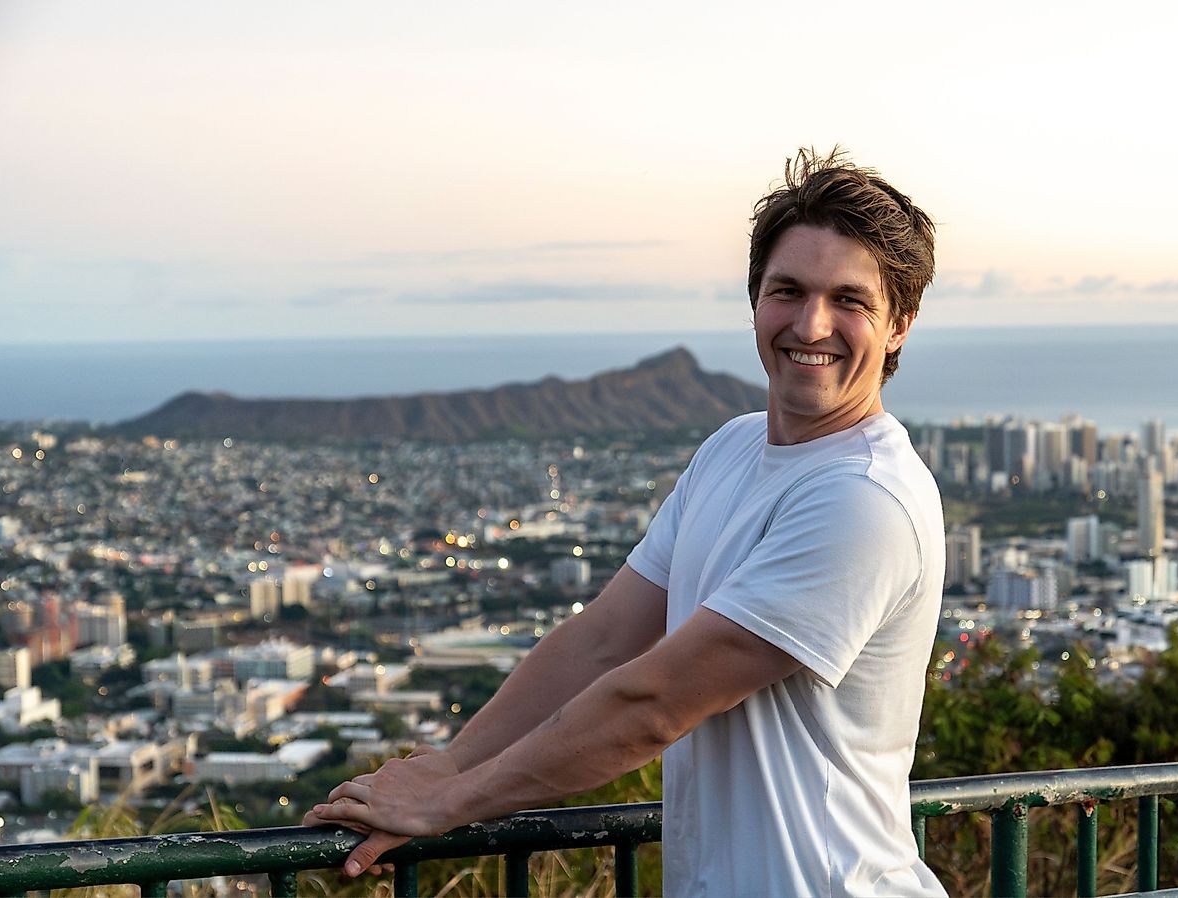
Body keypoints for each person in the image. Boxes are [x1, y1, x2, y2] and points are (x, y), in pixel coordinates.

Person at [306, 147, 947, 897]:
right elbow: (603, 640)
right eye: (788, 290)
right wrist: (451, 762)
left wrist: (449, 802)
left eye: (850, 300)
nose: (812, 322)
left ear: (898, 324)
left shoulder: (864, 499)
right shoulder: (732, 449)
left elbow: (653, 704)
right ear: (755, 301)